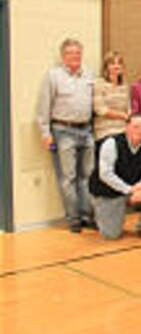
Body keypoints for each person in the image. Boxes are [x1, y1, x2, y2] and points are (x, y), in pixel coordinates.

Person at [36, 38, 95, 232]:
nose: (75, 57)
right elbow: (43, 107)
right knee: (68, 177)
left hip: (86, 130)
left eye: (77, 53)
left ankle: (87, 215)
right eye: (70, 53)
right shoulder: (53, 76)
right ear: (63, 56)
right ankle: (73, 218)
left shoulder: (89, 74)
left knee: (86, 176)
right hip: (63, 131)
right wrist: (45, 133)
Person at [88, 115, 141, 240]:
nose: (139, 130)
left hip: (134, 187)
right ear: (127, 127)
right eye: (135, 127)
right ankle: (98, 212)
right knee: (111, 235)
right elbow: (106, 174)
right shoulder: (111, 143)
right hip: (109, 190)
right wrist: (130, 190)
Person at [93, 51, 130, 146]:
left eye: (119, 63)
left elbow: (129, 109)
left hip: (123, 130)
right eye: (113, 63)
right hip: (105, 131)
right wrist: (123, 116)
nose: (116, 66)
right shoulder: (99, 83)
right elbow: (100, 110)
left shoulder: (124, 86)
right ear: (106, 67)